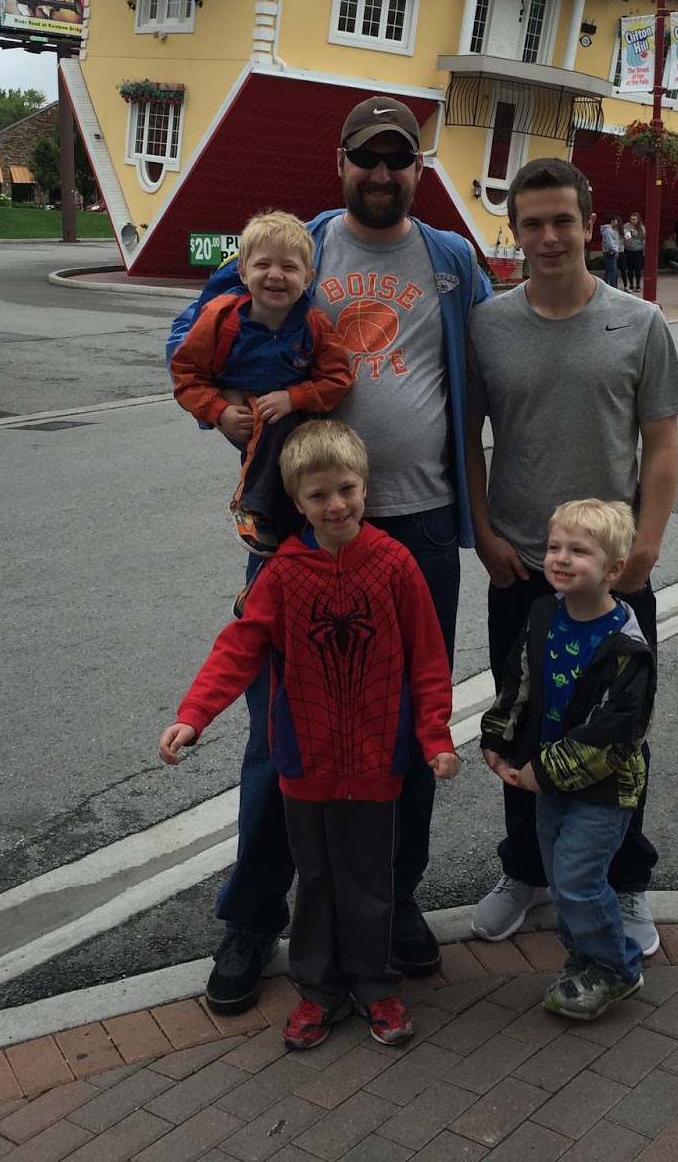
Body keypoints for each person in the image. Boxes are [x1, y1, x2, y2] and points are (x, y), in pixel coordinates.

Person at [167, 95, 491, 1012]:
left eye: (398, 159)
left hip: (419, 525)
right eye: (366, 158)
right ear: (340, 162)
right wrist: (221, 412)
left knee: (409, 724)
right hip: (300, 530)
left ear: (419, 168)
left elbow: (500, 362)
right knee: (283, 728)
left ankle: (392, 899)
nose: (381, 174)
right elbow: (191, 337)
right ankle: (251, 917)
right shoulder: (297, 245)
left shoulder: (452, 260)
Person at [160, 421, 460, 1050]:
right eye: (318, 495)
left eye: (347, 488)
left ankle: (376, 984)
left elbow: (428, 659)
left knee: (371, 878)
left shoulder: (396, 565)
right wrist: (194, 713)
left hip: (378, 759)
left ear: (366, 487)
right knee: (316, 878)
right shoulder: (283, 573)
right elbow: (239, 648)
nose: (336, 504)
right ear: (297, 502)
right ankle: (318, 989)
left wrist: (434, 736)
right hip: (305, 759)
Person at [464, 155, 678, 958]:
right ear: (515, 233)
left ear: (590, 225)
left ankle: (623, 881)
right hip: (521, 567)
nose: (550, 236)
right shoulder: (488, 325)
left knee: (615, 735)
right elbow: (469, 440)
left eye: (563, 220)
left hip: (614, 577)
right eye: (533, 223)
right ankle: (526, 871)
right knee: (522, 724)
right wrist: (484, 533)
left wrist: (646, 544)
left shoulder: (640, 322)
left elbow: (661, 444)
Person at [480, 499, 655, 1021]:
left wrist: (546, 771)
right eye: (555, 546)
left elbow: (613, 733)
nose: (560, 558)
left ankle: (617, 967)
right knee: (561, 877)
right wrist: (498, 735)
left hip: (603, 789)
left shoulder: (625, 646)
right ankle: (585, 957)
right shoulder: (543, 614)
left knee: (579, 880)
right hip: (550, 780)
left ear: (613, 570)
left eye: (578, 551)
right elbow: (518, 681)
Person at [169, 211, 353, 556]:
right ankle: (249, 506)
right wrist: (219, 411)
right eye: (263, 264)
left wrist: (293, 397)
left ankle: (280, 544)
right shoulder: (221, 318)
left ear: (309, 277)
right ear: (242, 272)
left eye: (289, 267)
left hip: (294, 418)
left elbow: (338, 378)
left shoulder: (314, 325)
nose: (275, 275)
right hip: (245, 420)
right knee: (274, 440)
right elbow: (186, 373)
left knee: (304, 485)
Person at [621, 213, 645, 293]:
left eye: (634, 219)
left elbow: (643, 239)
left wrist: (644, 249)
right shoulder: (626, 226)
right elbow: (625, 236)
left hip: (638, 249)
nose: (632, 221)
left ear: (638, 220)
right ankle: (631, 284)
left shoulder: (641, 227)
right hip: (628, 249)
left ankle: (638, 284)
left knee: (638, 268)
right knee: (630, 268)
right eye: (631, 219)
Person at [600, 215, 621, 288]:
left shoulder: (609, 230)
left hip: (608, 251)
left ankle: (606, 284)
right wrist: (615, 250)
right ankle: (612, 285)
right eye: (616, 220)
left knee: (609, 269)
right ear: (612, 221)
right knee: (613, 270)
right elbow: (610, 242)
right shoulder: (608, 230)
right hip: (610, 252)